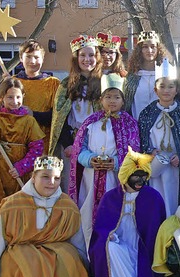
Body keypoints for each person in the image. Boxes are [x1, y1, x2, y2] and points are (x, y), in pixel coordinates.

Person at [0, 156, 96, 277]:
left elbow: (78, 243)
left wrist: (85, 276)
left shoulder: (67, 206)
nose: (51, 182)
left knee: (70, 258)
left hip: (58, 254)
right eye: (45, 177)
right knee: (25, 263)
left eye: (57, 178)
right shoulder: (12, 205)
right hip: (21, 253)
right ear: (33, 177)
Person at [89, 148, 175, 277]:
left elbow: (156, 232)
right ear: (126, 175)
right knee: (109, 248)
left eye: (144, 176)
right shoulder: (110, 197)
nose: (140, 180)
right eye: (136, 176)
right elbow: (100, 230)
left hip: (142, 252)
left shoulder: (153, 197)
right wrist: (109, 236)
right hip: (120, 249)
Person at [69, 73, 140, 249]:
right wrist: (90, 160)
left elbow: (134, 152)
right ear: (101, 99)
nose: (112, 101)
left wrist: (116, 163)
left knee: (115, 213)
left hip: (115, 179)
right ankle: (88, 251)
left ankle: (114, 251)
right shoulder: (91, 122)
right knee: (87, 213)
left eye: (117, 97)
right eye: (108, 97)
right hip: (90, 177)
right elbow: (79, 148)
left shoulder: (129, 124)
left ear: (123, 100)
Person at [0, 77, 45, 227]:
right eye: (10, 97)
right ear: (2, 98)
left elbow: (37, 148)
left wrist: (22, 167)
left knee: (19, 205)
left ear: (23, 97)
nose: (14, 101)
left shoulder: (29, 121)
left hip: (20, 171)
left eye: (18, 97)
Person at [138, 59, 180, 217]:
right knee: (156, 204)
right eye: (162, 86)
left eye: (171, 86)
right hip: (155, 170)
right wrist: (150, 152)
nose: (166, 90)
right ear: (155, 89)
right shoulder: (147, 114)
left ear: (176, 89)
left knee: (174, 204)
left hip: (176, 170)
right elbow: (141, 139)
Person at [50, 35, 103, 193]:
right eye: (83, 55)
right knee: (71, 184)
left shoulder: (104, 83)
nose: (87, 59)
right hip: (72, 141)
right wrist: (67, 144)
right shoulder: (66, 85)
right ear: (76, 58)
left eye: (91, 55)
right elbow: (59, 118)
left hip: (96, 142)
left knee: (92, 185)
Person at [14, 39, 61, 155]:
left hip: (43, 142)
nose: (32, 61)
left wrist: (34, 115)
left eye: (36, 57)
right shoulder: (14, 82)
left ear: (43, 59)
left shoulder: (52, 83)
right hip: (18, 141)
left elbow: (57, 116)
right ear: (21, 58)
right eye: (28, 57)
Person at [124, 30, 173, 120]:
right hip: (137, 125)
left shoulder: (166, 73)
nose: (149, 50)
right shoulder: (133, 76)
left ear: (158, 49)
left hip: (161, 125)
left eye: (153, 46)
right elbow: (127, 104)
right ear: (140, 50)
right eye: (145, 47)